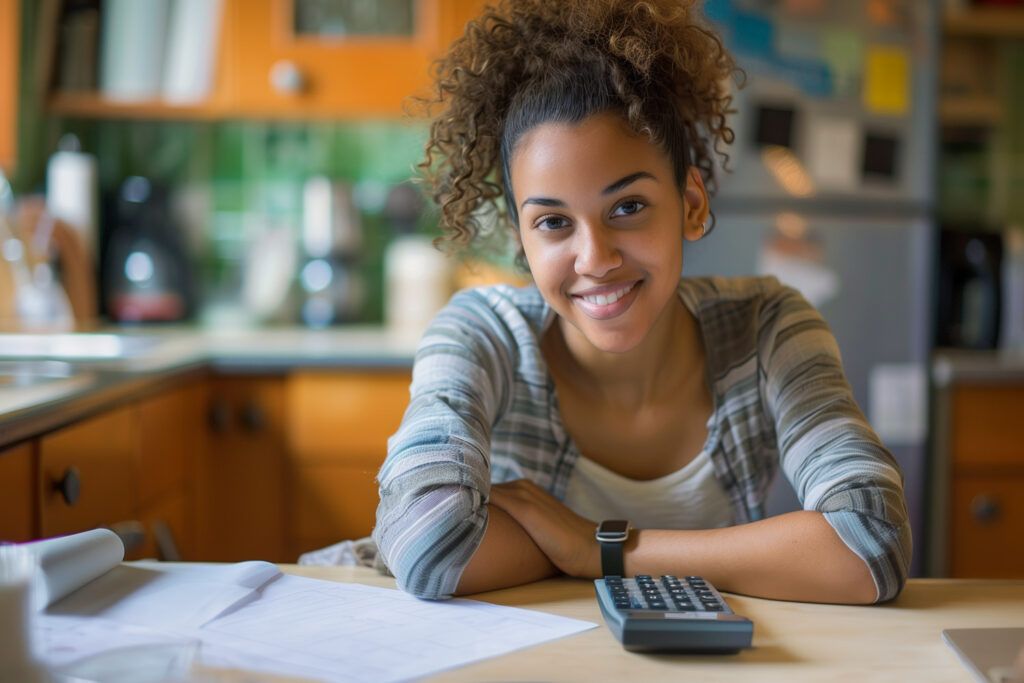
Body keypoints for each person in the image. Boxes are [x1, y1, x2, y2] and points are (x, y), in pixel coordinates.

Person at [372, 0, 911, 604]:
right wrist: (749, 557)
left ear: (691, 203)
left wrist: (598, 548)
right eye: (552, 222)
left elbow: (871, 542)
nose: (595, 257)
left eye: (627, 207)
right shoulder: (481, 333)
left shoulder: (768, 327)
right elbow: (425, 542)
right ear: (520, 237)